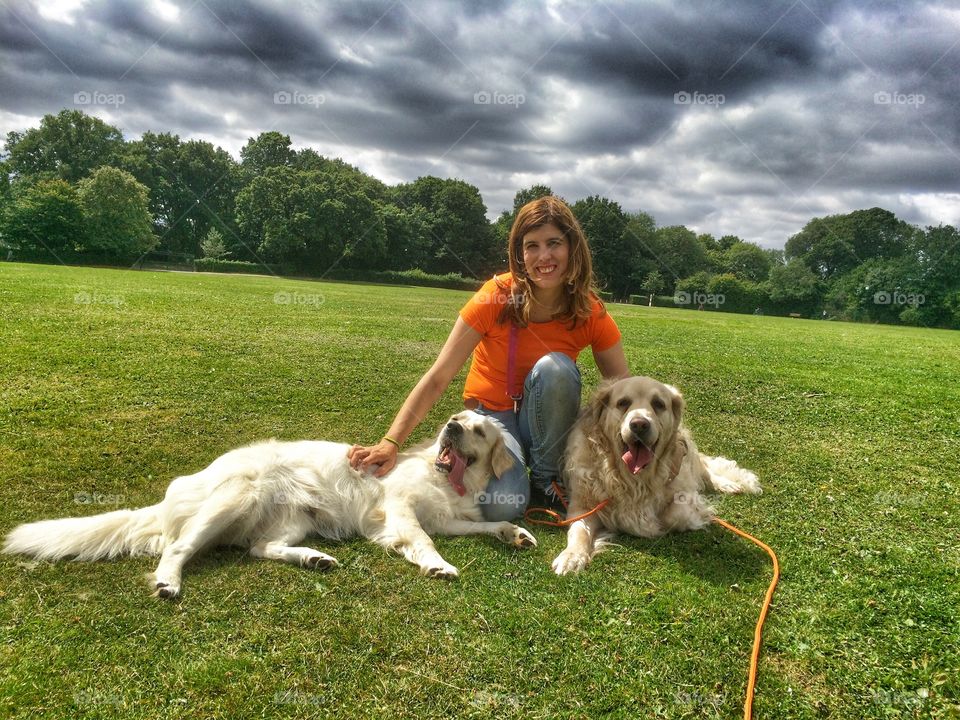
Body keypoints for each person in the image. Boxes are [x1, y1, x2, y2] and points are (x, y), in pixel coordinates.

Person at [347, 195, 630, 521]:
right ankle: (517, 474)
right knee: (503, 505)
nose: (544, 256)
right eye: (532, 245)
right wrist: (390, 441)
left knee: (557, 369)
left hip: (550, 424)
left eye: (554, 243)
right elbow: (440, 375)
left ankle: (546, 478)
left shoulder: (589, 309)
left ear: (572, 249)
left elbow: (621, 389)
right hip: (493, 419)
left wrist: (644, 446)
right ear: (519, 254)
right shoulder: (494, 297)